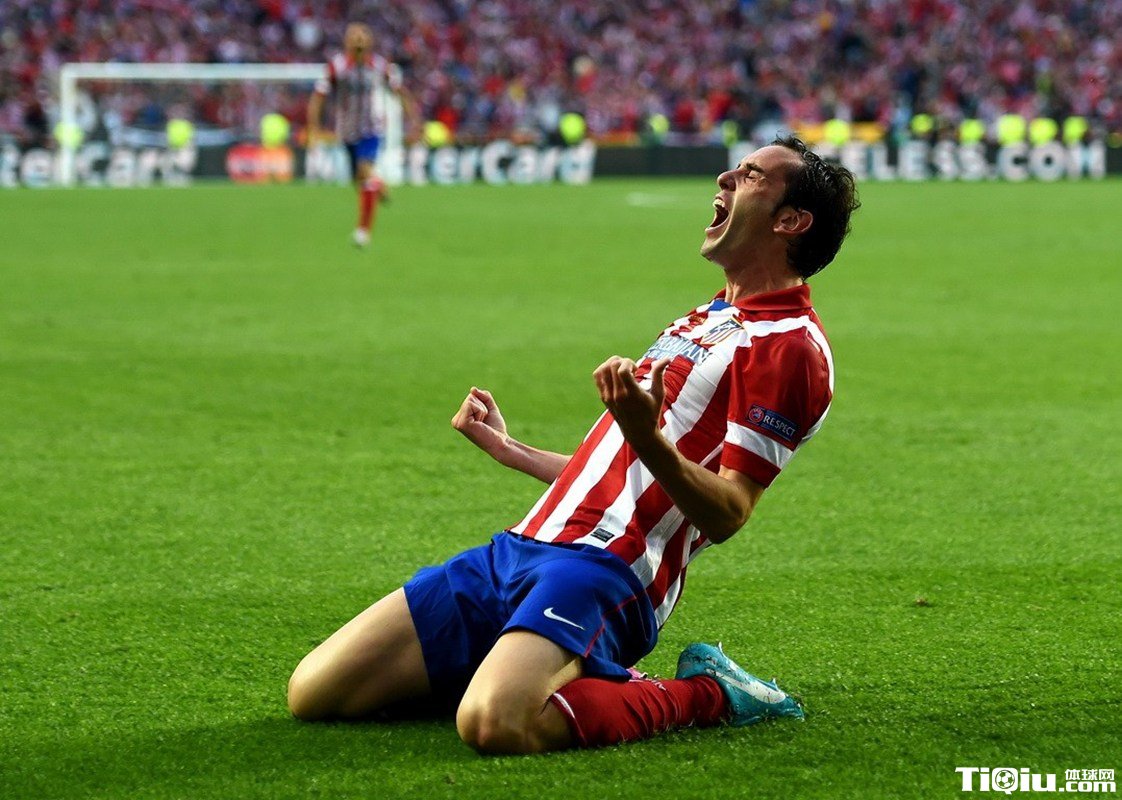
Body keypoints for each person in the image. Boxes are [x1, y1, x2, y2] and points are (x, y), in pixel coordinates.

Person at [287, 136, 860, 753]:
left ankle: (710, 693)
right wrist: (514, 451)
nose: (725, 177)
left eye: (750, 176)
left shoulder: (791, 347)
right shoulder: (708, 316)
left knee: (495, 723)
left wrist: (646, 436)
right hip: (522, 547)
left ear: (790, 221)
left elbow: (728, 512)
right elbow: (619, 471)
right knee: (315, 692)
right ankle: (523, 668)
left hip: (609, 569)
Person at [306, 22, 416, 249]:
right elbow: (318, 99)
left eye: (362, 36)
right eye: (354, 37)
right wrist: (314, 128)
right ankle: (378, 185)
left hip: (371, 129)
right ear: (346, 42)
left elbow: (400, 92)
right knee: (359, 182)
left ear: (369, 42)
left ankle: (363, 232)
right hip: (346, 132)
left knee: (365, 173)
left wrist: (414, 121)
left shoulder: (379, 65)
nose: (358, 40)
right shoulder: (336, 67)